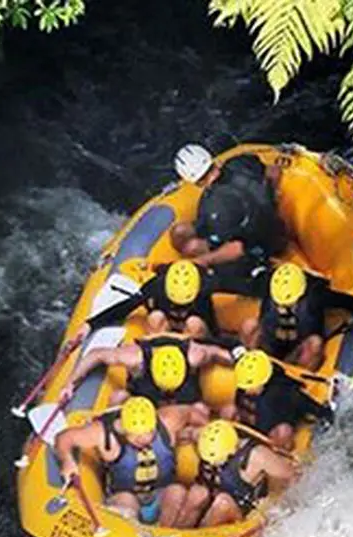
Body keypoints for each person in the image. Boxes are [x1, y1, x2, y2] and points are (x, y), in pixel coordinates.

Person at [54, 396, 196, 527]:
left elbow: (191, 413)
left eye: (149, 433)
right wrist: (67, 461)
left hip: (160, 491)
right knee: (126, 505)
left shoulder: (169, 420)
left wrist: (200, 432)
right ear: (124, 428)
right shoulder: (102, 433)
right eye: (136, 436)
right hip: (125, 493)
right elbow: (64, 438)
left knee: (177, 491)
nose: (144, 439)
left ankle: (165, 531)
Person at [239, 261, 353, 371]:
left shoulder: (316, 295)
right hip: (273, 342)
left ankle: (302, 376)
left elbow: (352, 302)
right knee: (249, 325)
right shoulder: (268, 286)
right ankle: (251, 363)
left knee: (315, 343)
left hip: (300, 343)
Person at [58, 334, 234, 415]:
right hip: (142, 403)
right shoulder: (135, 358)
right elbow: (97, 354)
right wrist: (70, 383)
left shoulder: (196, 356)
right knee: (118, 397)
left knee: (201, 410)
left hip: (183, 406)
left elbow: (217, 352)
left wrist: (238, 361)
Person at [170, 148, 286, 270]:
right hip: (271, 222)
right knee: (180, 231)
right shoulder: (240, 162)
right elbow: (274, 171)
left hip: (263, 246)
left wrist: (201, 261)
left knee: (191, 247)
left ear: (196, 183)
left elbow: (237, 248)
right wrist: (271, 197)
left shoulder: (213, 206)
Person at [174, 418, 300, 529]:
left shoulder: (258, 455)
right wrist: (189, 433)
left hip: (240, 509)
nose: (213, 465)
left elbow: (291, 476)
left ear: (232, 451)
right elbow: (184, 434)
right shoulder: (203, 438)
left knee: (223, 503)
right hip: (215, 493)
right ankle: (178, 535)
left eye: (218, 461)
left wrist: (274, 505)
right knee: (197, 493)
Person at [80, 260, 218, 338]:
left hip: (191, 334)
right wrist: (91, 324)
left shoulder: (204, 292)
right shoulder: (155, 286)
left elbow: (212, 326)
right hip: (164, 328)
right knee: (155, 317)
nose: (179, 309)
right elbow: (129, 305)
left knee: (195, 323)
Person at [223, 349, 329, 451]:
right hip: (263, 426)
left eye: (248, 386)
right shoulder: (246, 389)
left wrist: (324, 414)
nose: (246, 390)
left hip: (278, 423)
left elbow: (303, 402)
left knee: (283, 431)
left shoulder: (282, 391)